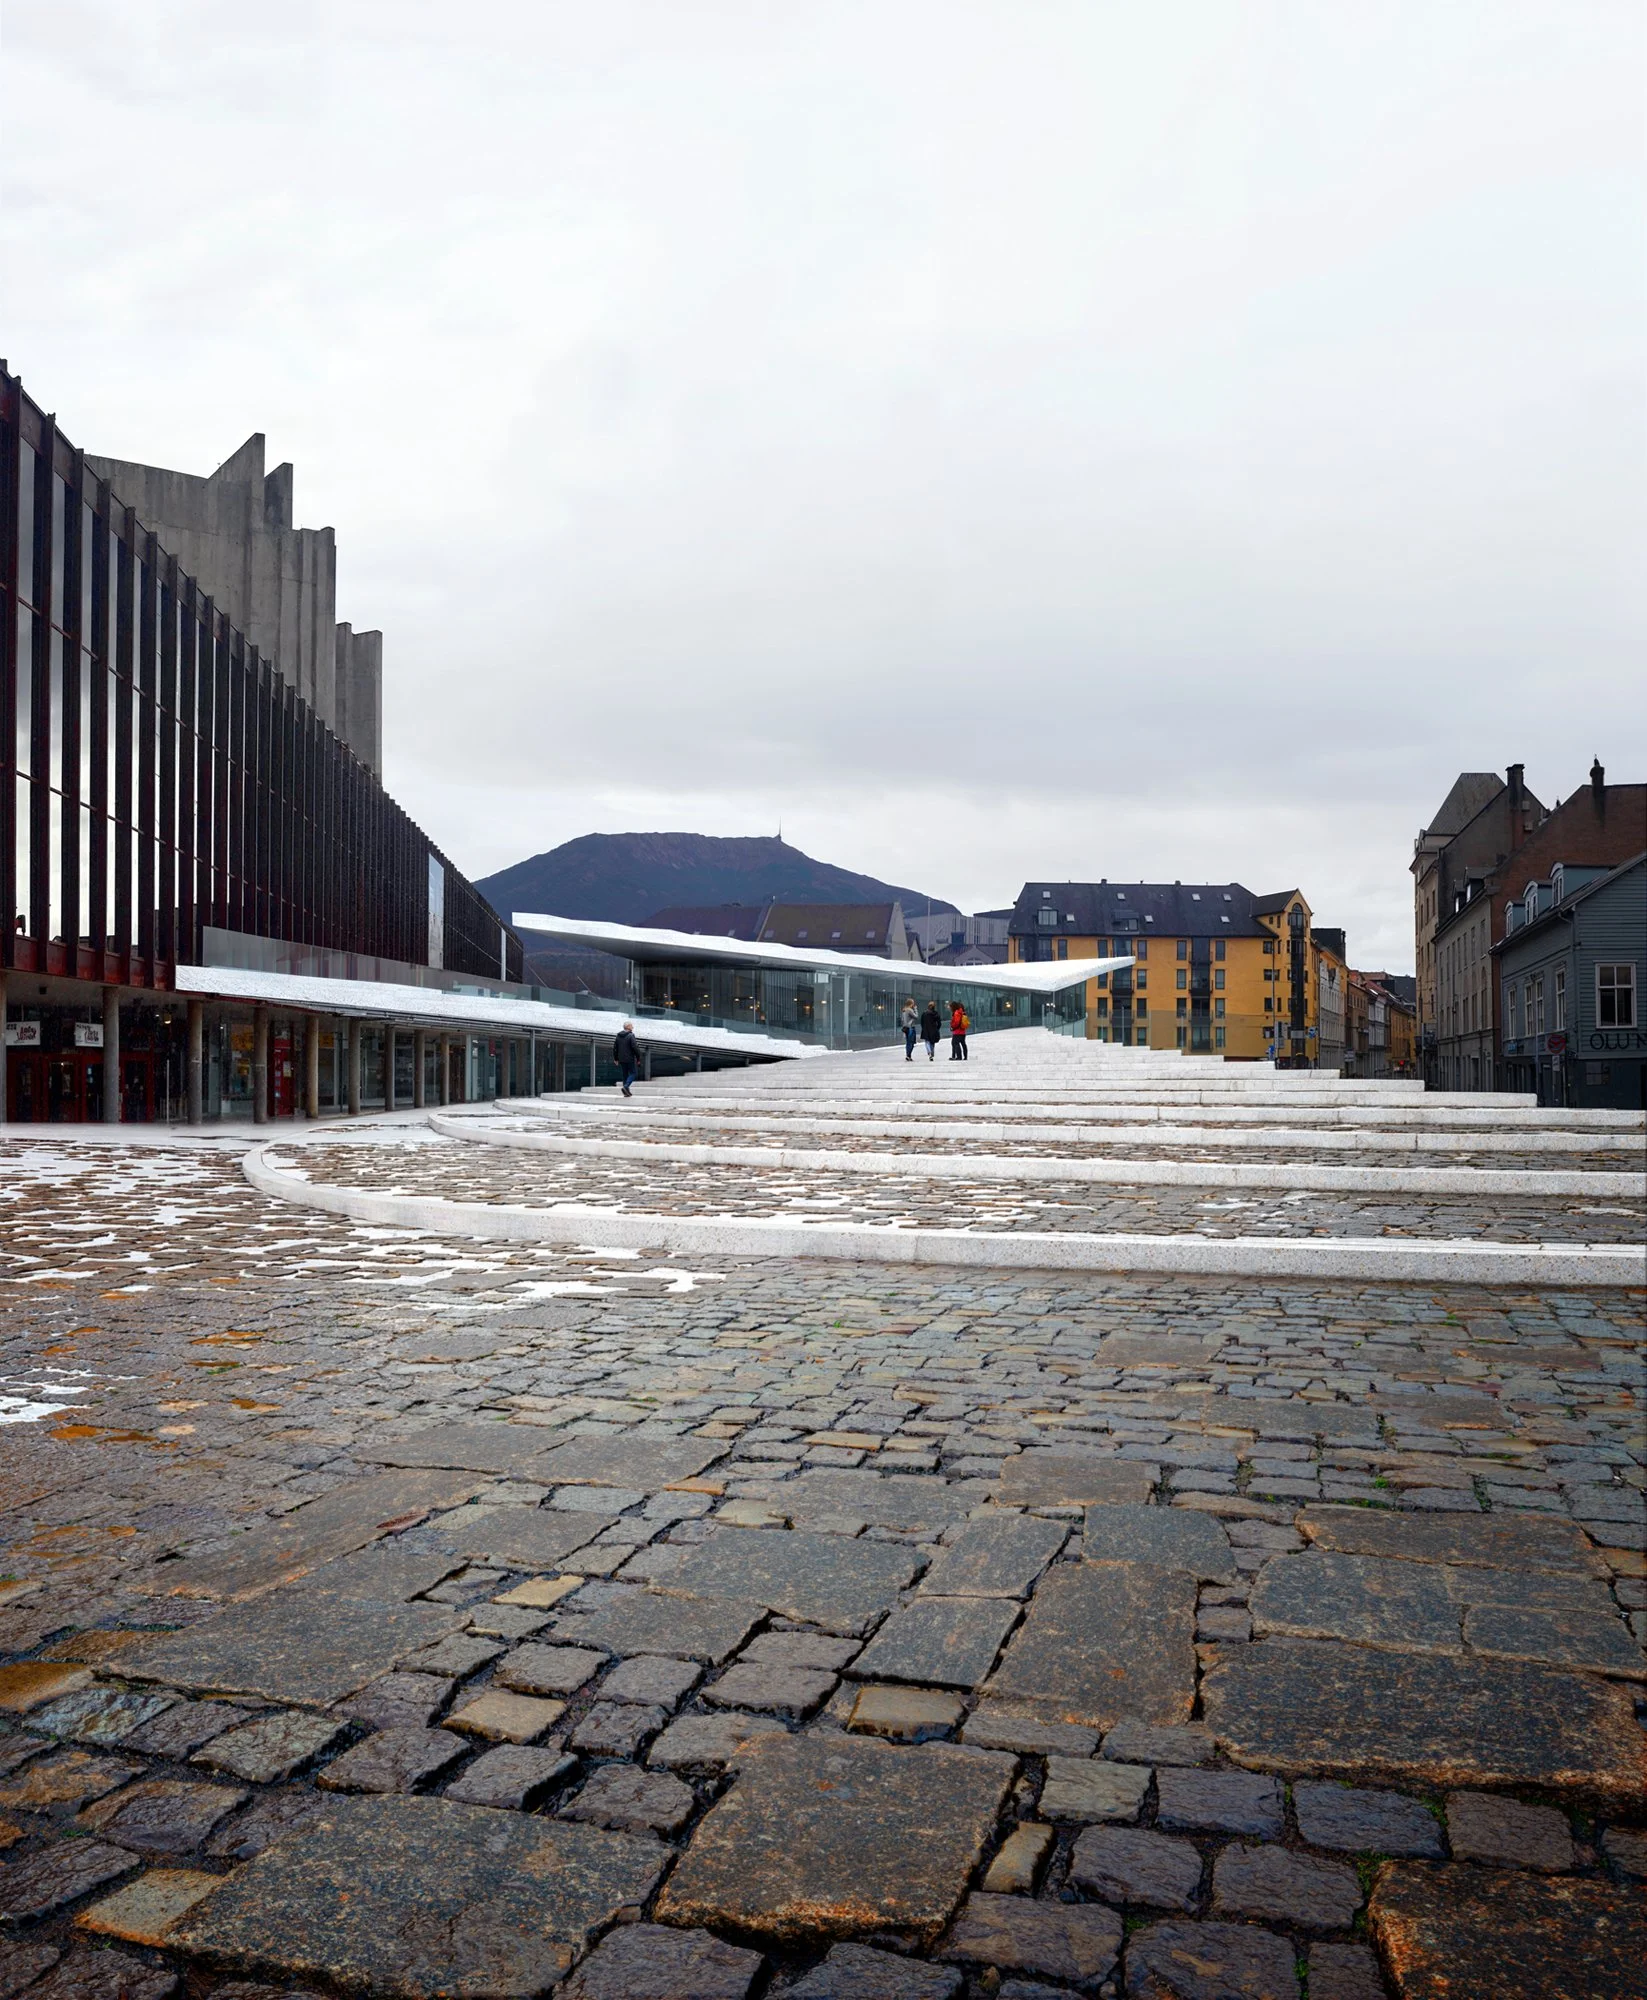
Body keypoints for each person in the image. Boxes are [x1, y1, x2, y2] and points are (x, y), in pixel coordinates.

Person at [612, 1021, 642, 1098]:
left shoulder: (618, 1036)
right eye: (631, 1026)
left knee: (625, 1074)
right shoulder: (631, 1035)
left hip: (621, 1059)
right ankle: (626, 1086)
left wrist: (616, 1058)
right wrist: (638, 1057)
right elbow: (635, 1047)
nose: (633, 1027)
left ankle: (626, 1092)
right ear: (628, 1027)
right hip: (630, 1058)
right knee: (633, 1073)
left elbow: (615, 1048)